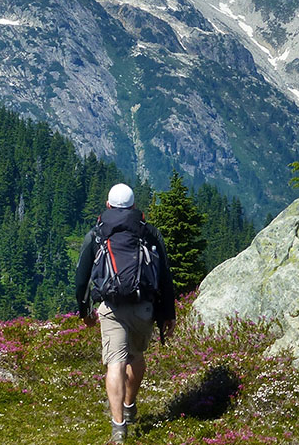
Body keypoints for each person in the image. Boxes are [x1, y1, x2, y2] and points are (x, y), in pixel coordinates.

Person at [76, 183, 176, 444]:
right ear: (133, 206)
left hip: (111, 307)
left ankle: (118, 428)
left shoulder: (97, 233)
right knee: (137, 357)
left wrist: (83, 310)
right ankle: (130, 405)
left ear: (108, 205)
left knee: (115, 364)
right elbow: (164, 275)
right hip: (144, 306)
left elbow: (81, 277)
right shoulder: (149, 233)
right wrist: (168, 313)